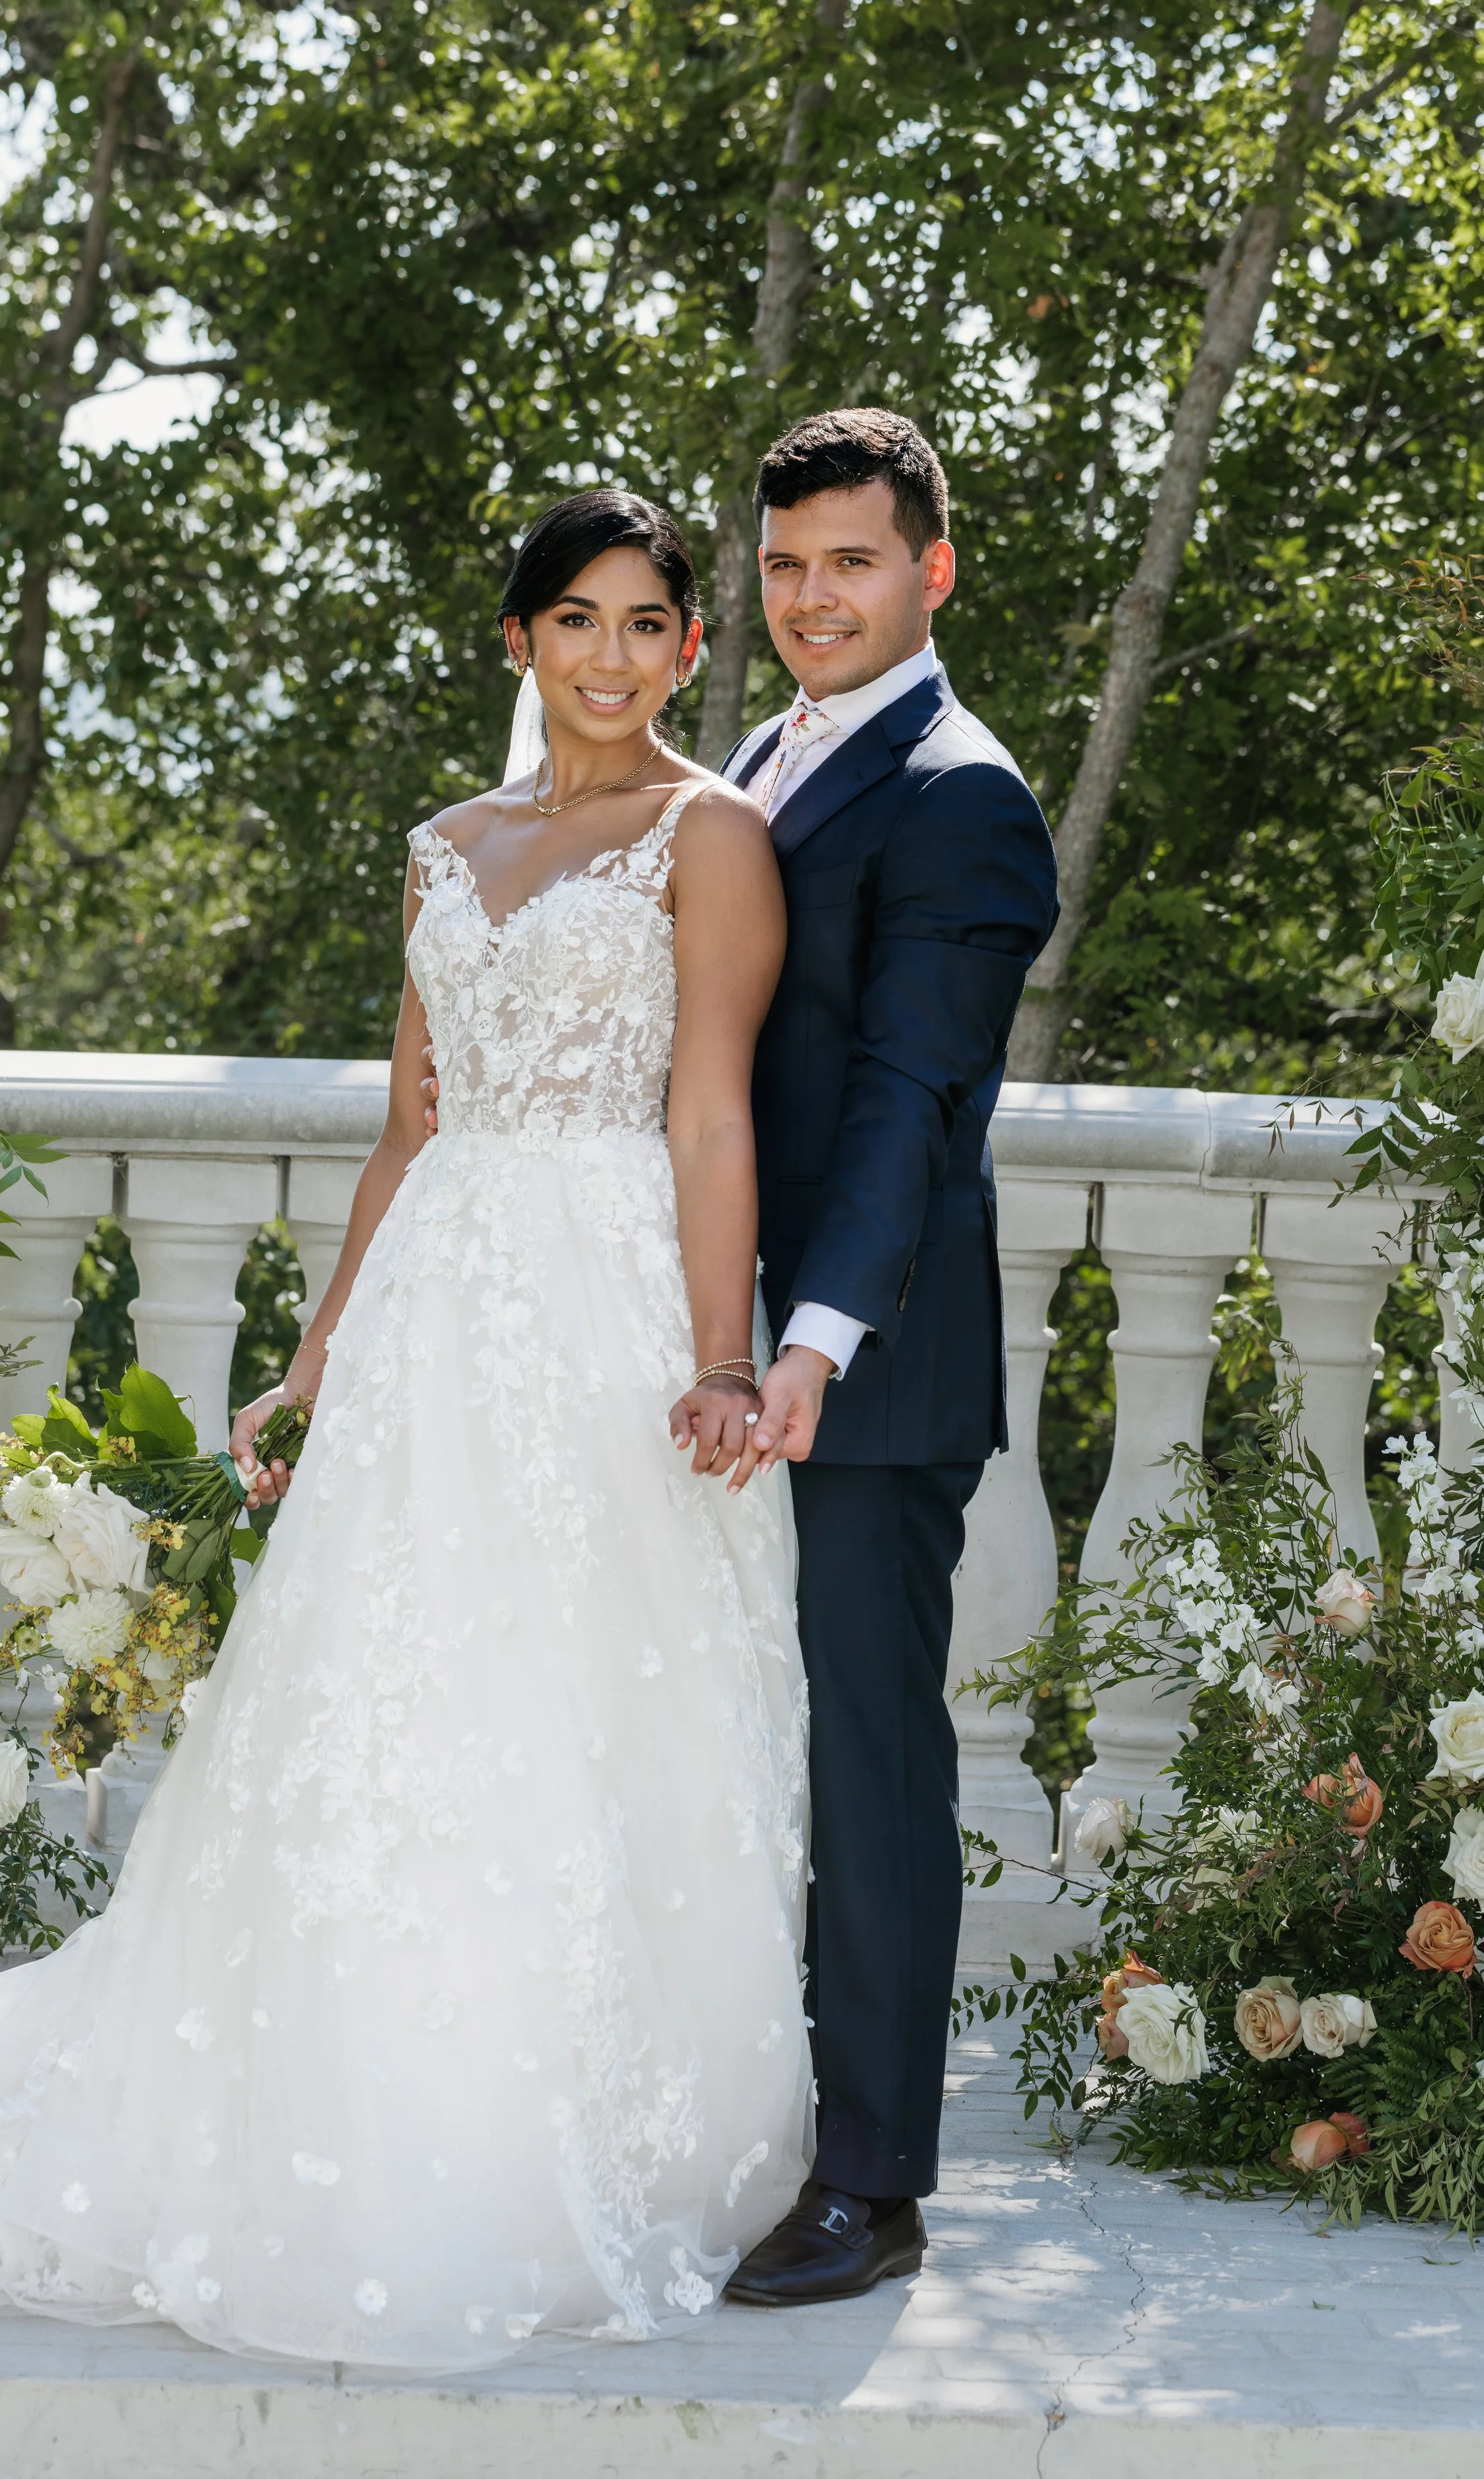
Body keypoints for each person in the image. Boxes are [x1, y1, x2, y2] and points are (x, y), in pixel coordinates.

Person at [0, 492, 814, 2367]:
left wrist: (711, 1354)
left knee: (593, 1701)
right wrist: (310, 1356)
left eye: (649, 624)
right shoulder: (447, 846)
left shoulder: (714, 838)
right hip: (438, 1314)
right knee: (389, 1699)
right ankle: (351, 2084)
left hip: (609, 1307)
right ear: (517, 639)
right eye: (577, 620)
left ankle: (578, 2128)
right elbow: (408, 1129)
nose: (613, 655)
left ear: (692, 649)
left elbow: (708, 1118)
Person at [712, 409, 1059, 2306]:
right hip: (721, 1341)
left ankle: (873, 2180)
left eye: (850, 561)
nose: (811, 596)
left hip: (864, 1364)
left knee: (867, 1767)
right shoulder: (768, 752)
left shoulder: (960, 790)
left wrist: (811, 1337)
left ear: (929, 571)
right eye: (783, 565)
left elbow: (911, 1096)